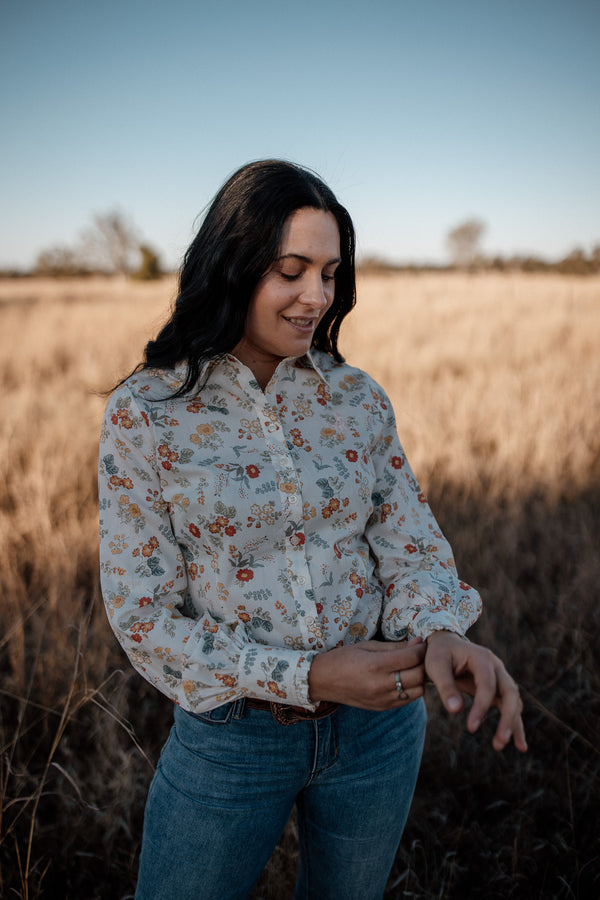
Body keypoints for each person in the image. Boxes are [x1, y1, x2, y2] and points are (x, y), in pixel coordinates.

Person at [98, 160, 526, 900]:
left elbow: (408, 539)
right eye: (291, 271)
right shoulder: (149, 412)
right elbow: (145, 619)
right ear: (232, 264)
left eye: (330, 273)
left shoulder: (355, 398)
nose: (317, 297)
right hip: (233, 738)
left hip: (379, 733)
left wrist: (443, 630)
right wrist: (306, 677)